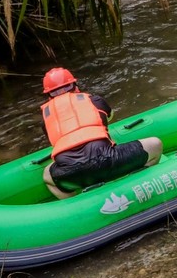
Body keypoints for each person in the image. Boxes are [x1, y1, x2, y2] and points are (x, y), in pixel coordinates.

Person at [39, 68, 163, 199]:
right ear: (75, 87)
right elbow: (109, 118)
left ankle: (77, 203)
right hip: (108, 161)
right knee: (155, 144)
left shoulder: (45, 120)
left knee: (47, 174)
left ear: (49, 96)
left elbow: (57, 142)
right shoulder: (95, 100)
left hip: (71, 173)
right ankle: (138, 186)